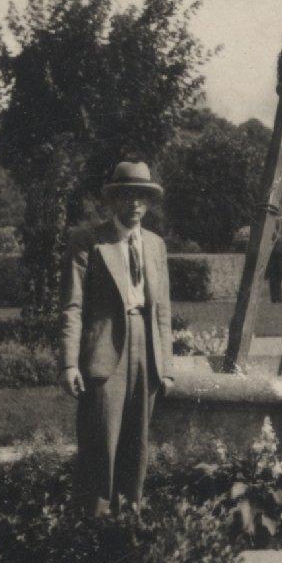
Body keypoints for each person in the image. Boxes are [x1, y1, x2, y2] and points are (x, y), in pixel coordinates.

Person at [62, 161, 175, 514]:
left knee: (137, 444)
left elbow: (163, 310)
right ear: (114, 201)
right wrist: (68, 363)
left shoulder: (156, 245)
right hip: (105, 350)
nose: (136, 205)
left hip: (147, 349)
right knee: (101, 443)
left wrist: (166, 366)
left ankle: (130, 523)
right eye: (128, 196)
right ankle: (93, 528)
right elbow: (72, 307)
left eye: (142, 197)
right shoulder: (88, 241)